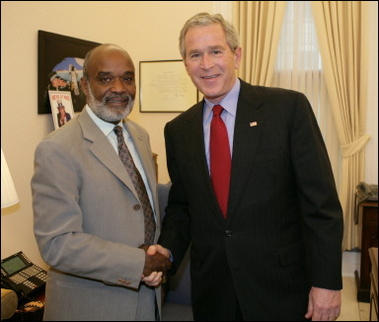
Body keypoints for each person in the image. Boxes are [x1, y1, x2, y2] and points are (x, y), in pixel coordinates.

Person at [153, 12, 344, 321]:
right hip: (214, 294)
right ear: (186, 64)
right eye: (195, 55)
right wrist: (166, 251)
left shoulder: (288, 109)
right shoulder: (177, 130)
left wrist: (326, 283)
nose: (206, 63)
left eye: (216, 51)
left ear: (236, 55)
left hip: (281, 292)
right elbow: (183, 208)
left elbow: (321, 206)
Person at [32, 43, 171, 321]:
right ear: (85, 86)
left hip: (148, 300)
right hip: (91, 306)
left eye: (128, 78)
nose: (119, 88)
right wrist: (138, 264)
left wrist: (159, 253)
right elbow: (57, 243)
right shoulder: (57, 148)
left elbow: (143, 212)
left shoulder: (140, 136)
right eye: (105, 78)